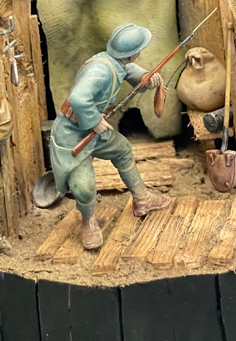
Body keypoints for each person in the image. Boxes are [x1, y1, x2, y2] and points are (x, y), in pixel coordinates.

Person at [49, 23, 171, 249]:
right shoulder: (100, 70)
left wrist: (145, 76)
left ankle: (142, 199)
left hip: (94, 132)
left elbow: (128, 69)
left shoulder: (115, 62)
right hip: (72, 135)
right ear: (133, 52)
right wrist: (95, 120)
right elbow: (78, 98)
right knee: (83, 187)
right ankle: (88, 222)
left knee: (122, 149)